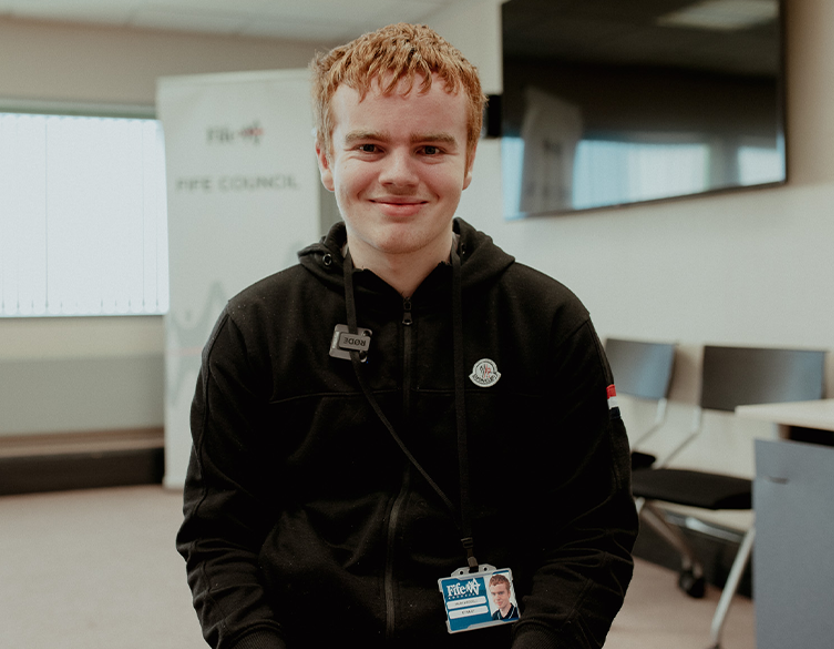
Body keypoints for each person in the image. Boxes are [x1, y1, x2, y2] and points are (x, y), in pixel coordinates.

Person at [177, 22, 637, 649]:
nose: (398, 174)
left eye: (430, 148)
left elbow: (595, 527)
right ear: (324, 159)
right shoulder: (256, 326)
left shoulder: (548, 320)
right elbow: (217, 533)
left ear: (469, 160)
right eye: (368, 146)